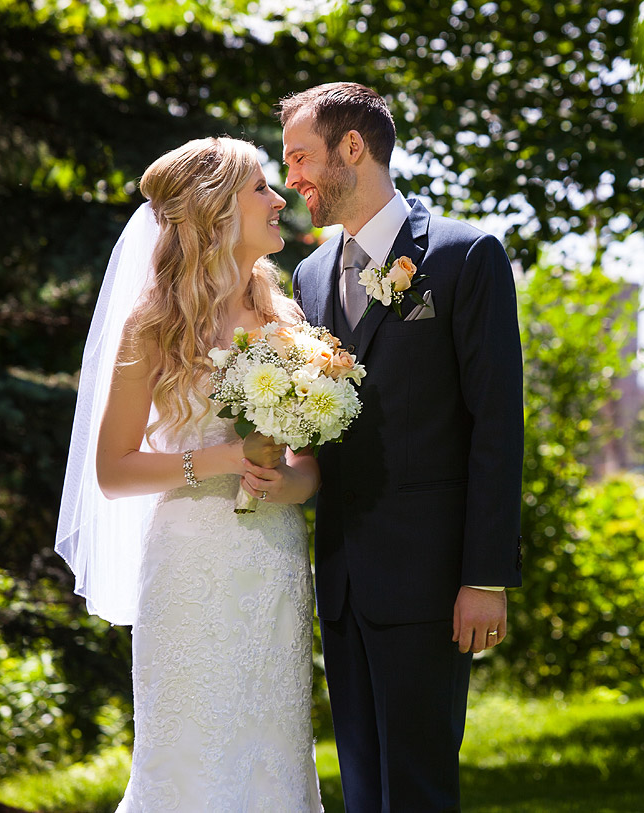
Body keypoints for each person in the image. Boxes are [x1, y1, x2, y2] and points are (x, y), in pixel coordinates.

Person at [55, 137, 324, 811]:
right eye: (260, 187)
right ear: (215, 212)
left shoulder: (285, 315)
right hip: (188, 562)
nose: (280, 197)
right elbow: (113, 470)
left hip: (276, 559)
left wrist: (291, 483)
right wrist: (224, 459)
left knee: (275, 757)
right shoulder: (154, 325)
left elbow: (308, 461)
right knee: (192, 760)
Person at [281, 83, 524, 812]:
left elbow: (497, 425)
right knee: (362, 788)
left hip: (430, 578)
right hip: (345, 582)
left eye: (299, 158)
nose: (291, 178)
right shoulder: (310, 275)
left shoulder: (464, 255)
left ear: (352, 147)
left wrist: (486, 575)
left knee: (417, 789)